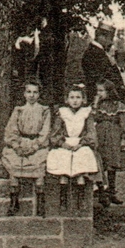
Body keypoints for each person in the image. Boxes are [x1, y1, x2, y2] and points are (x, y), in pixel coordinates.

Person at [46, 84, 100, 212]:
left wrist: (81, 143)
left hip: (80, 144)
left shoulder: (86, 114)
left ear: (83, 99)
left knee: (82, 158)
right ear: (67, 99)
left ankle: (80, 198)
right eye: (72, 97)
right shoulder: (62, 114)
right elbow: (55, 133)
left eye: (78, 97)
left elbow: (91, 133)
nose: (75, 100)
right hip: (65, 144)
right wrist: (62, 144)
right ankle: (63, 197)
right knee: (63, 160)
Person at [2, 80, 51, 216]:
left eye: (35, 92)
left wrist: (35, 146)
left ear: (39, 94)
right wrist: (16, 146)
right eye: (29, 92)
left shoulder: (44, 110)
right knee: (14, 164)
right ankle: (14, 201)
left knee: (39, 167)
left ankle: (41, 202)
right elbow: (11, 130)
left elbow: (45, 132)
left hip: (37, 144)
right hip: (21, 143)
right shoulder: (19, 110)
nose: (32, 95)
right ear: (24, 94)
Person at [91, 79, 125, 207]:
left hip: (113, 137)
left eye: (101, 90)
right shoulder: (97, 106)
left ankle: (112, 191)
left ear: (109, 91)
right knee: (100, 163)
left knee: (111, 164)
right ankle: (102, 192)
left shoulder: (118, 105)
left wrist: (124, 136)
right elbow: (93, 118)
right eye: (97, 91)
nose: (99, 93)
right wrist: (95, 105)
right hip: (99, 135)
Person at [80, 25, 116, 103]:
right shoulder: (95, 53)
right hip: (98, 97)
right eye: (110, 39)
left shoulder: (96, 51)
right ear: (101, 37)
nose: (111, 42)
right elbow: (100, 78)